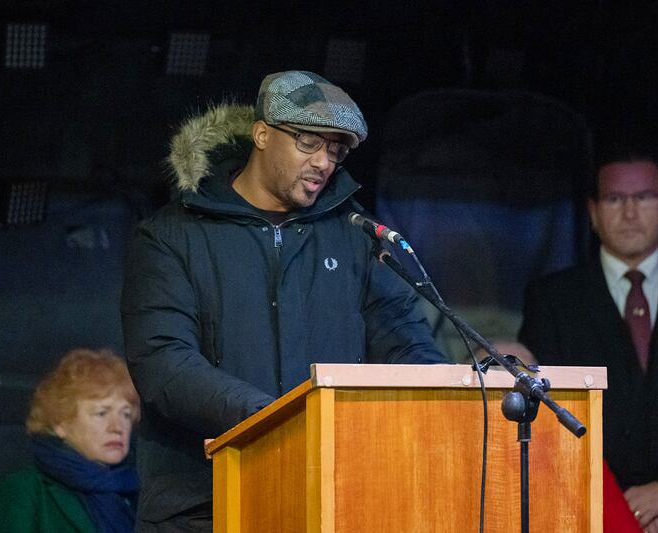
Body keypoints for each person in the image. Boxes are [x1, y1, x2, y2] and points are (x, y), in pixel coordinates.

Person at [120, 70, 448, 531]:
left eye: (336, 150)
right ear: (261, 133)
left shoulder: (357, 235)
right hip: (204, 506)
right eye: (308, 142)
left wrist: (443, 394)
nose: (323, 162)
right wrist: (278, 421)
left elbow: (405, 342)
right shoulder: (172, 235)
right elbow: (163, 363)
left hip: (333, 498)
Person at [518, 144, 658, 532]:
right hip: (588, 511)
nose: (629, 212)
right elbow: (544, 414)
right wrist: (617, 506)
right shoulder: (553, 299)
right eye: (614, 198)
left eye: (643, 197)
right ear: (592, 212)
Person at [0, 348, 140, 533]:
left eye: (126, 414)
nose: (117, 427)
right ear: (60, 423)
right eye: (101, 413)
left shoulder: (144, 488)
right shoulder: (24, 490)